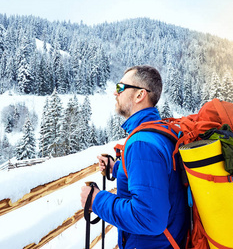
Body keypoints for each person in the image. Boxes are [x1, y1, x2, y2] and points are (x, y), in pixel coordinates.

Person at [80, 65, 188, 249]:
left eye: (120, 88)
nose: (115, 93)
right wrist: (116, 167)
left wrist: (96, 200)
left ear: (140, 95)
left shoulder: (142, 143)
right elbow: (156, 175)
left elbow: (149, 218)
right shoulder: (158, 131)